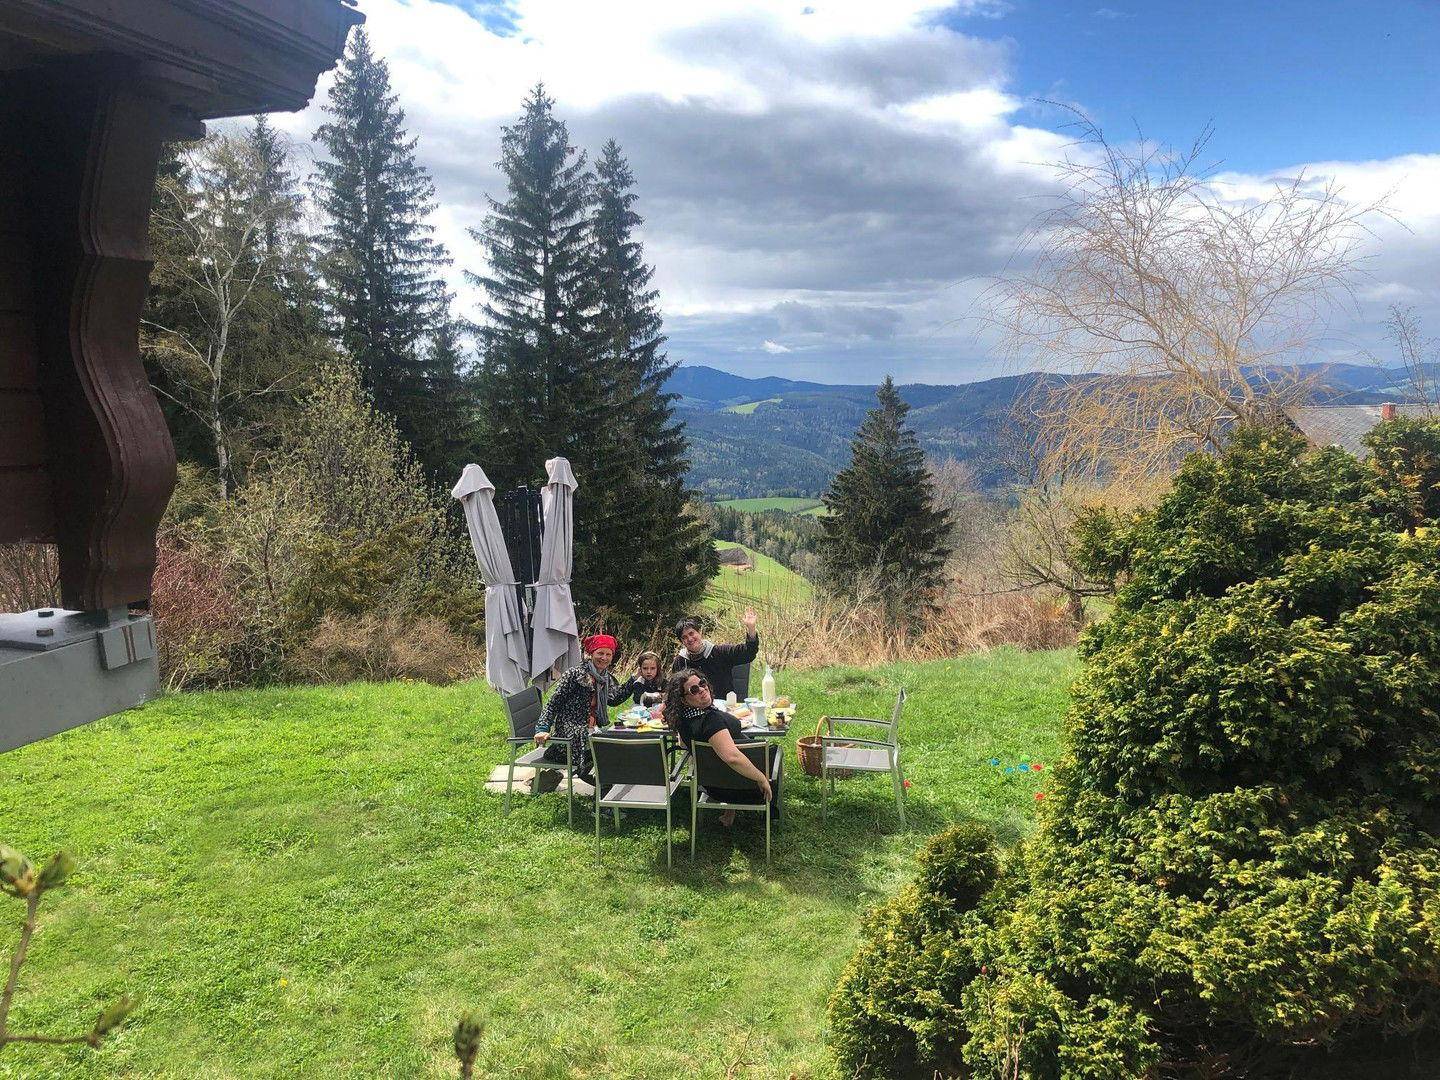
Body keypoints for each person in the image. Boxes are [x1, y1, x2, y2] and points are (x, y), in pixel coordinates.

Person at [663, 670, 781, 826]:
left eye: (702, 683)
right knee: (775, 751)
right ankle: (769, 810)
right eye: (694, 690)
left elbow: (683, 744)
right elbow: (732, 758)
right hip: (741, 786)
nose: (702, 690)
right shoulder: (710, 720)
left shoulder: (684, 719)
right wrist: (761, 778)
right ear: (684, 700)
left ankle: (729, 812)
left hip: (712, 783)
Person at [534, 634, 628, 783]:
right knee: (607, 753)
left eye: (608, 654)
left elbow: (613, 699)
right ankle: (605, 794)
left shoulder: (604, 677)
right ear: (591, 654)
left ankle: (607, 791)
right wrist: (542, 728)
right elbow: (553, 703)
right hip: (571, 734)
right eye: (600, 653)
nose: (604, 658)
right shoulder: (575, 674)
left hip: (591, 730)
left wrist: (634, 680)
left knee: (618, 748)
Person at [670, 609, 759, 702]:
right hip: (694, 710)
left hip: (723, 709)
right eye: (684, 637)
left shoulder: (720, 652)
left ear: (700, 632)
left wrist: (751, 628)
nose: (689, 639)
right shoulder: (680, 661)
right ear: (682, 642)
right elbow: (675, 691)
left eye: (691, 633)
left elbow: (749, 653)